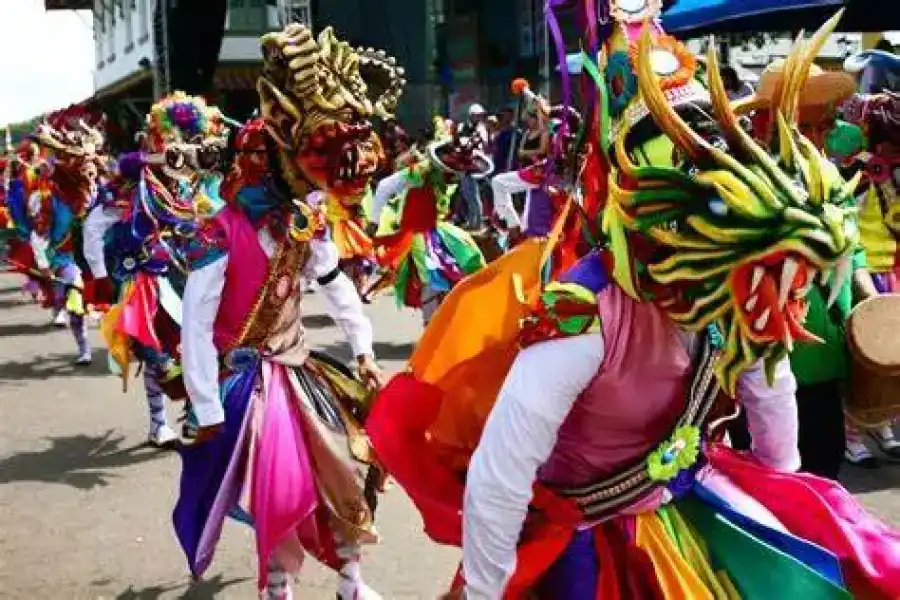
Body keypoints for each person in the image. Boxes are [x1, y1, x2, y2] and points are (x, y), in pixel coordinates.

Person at [368, 11, 900, 599]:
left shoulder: (733, 277)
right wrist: (485, 590)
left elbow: (768, 391)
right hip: (591, 541)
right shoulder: (585, 311)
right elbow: (502, 470)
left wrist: (783, 510)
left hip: (701, 504)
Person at [172, 24, 397, 600]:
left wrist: (365, 350)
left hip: (299, 366)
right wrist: (203, 402)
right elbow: (195, 326)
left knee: (354, 464)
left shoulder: (306, 220)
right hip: (246, 382)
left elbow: (335, 285)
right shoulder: (218, 233)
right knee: (283, 487)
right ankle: (278, 588)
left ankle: (351, 579)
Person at [82, 92, 230, 447]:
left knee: (201, 346)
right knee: (159, 359)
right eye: (172, 140)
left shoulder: (198, 188)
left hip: (188, 276)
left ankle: (198, 414)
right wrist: (101, 276)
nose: (180, 150)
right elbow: (94, 225)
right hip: (144, 280)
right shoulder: (135, 189)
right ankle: (158, 423)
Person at [369, 118, 490, 324]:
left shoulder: (450, 177)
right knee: (431, 278)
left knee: (471, 263)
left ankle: (456, 321)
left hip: (439, 230)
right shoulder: (419, 172)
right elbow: (384, 188)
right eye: (454, 171)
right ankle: (431, 328)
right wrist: (373, 221)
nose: (457, 176)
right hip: (415, 233)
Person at [6, 119, 106, 365]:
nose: (87, 174)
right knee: (71, 305)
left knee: (76, 299)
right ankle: (82, 346)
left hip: (91, 262)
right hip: (62, 258)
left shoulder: (95, 198)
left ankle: (85, 345)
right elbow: (39, 234)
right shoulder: (47, 201)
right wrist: (43, 263)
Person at [840, 88, 900, 465]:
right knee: (859, 357)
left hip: (893, 273)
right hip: (863, 275)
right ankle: (852, 436)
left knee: (892, 357)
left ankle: (885, 424)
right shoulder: (855, 173)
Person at [458, 103, 489, 229]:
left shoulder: (481, 129)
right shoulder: (463, 127)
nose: (478, 118)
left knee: (474, 195)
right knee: (467, 194)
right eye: (476, 115)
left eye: (480, 115)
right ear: (470, 116)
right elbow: (460, 142)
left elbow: (483, 145)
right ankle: (472, 221)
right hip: (464, 165)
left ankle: (476, 223)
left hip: (475, 165)